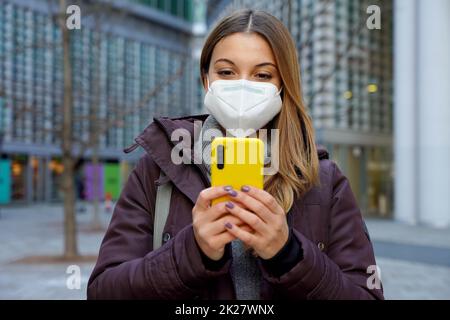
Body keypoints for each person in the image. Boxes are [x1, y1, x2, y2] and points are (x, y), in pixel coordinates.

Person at [87, 9, 383, 300]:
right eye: (226, 72)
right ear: (206, 79)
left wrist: (289, 255)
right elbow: (103, 290)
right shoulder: (159, 169)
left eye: (263, 74)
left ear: (282, 86)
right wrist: (192, 252)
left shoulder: (323, 180)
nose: (243, 86)